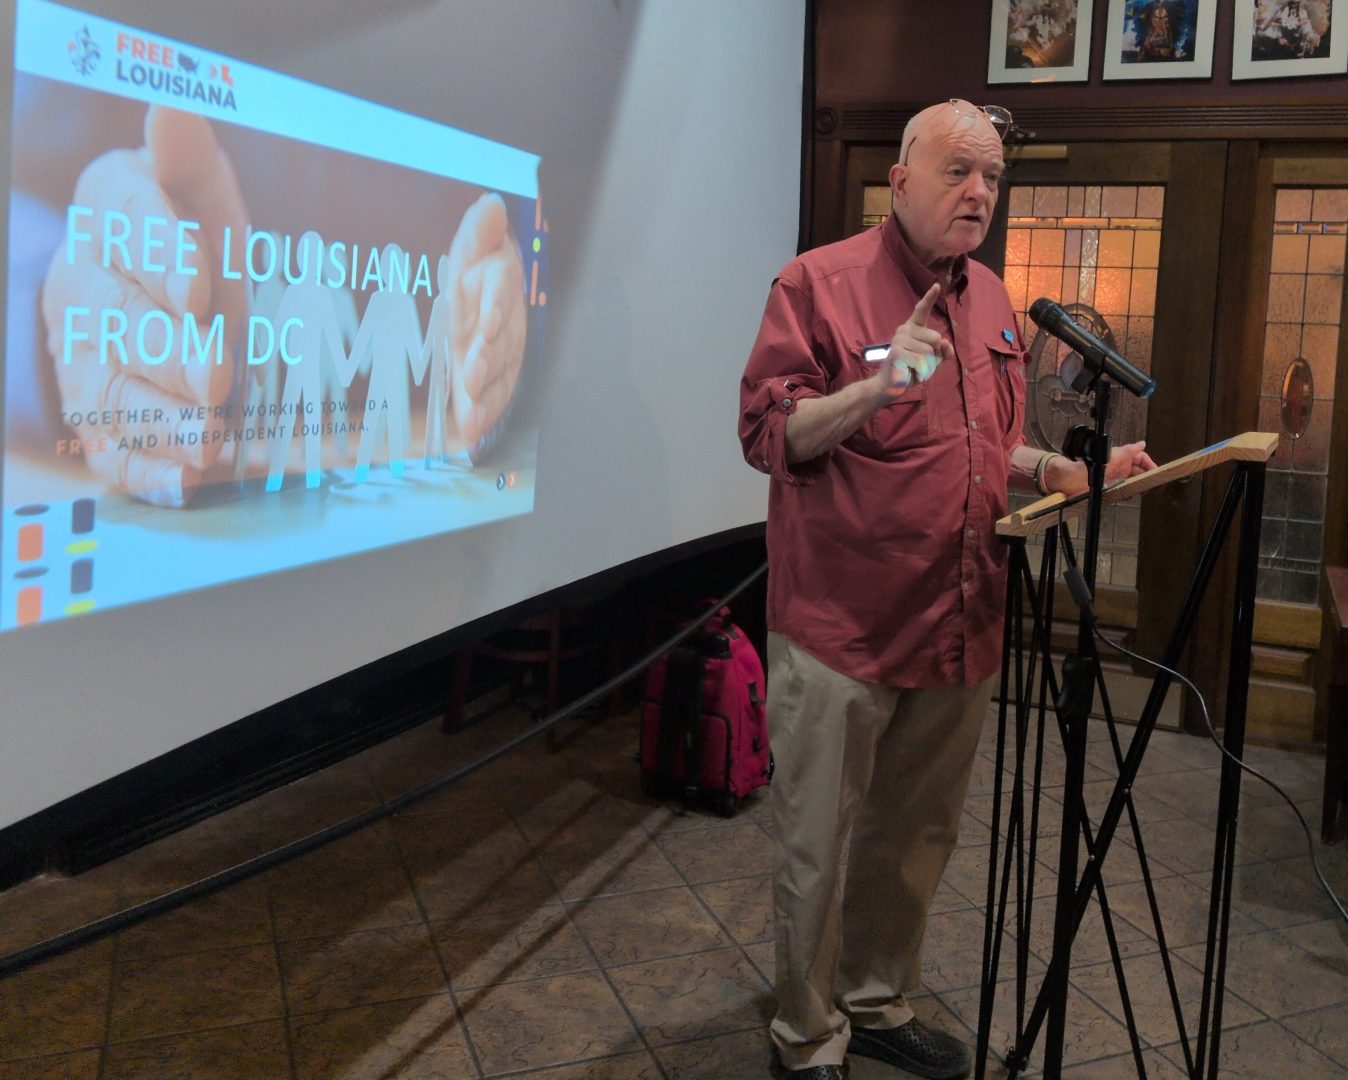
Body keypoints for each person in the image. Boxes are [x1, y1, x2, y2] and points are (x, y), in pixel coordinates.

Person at [738, 99, 1155, 1080]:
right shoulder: (819, 285)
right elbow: (770, 436)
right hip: (839, 629)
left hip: (958, 621)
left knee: (913, 838)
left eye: (992, 179)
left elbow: (976, 444)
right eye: (958, 172)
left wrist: (1047, 472)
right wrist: (874, 387)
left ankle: (877, 1001)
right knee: (817, 848)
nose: (978, 193)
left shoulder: (996, 302)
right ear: (902, 181)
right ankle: (806, 1039)